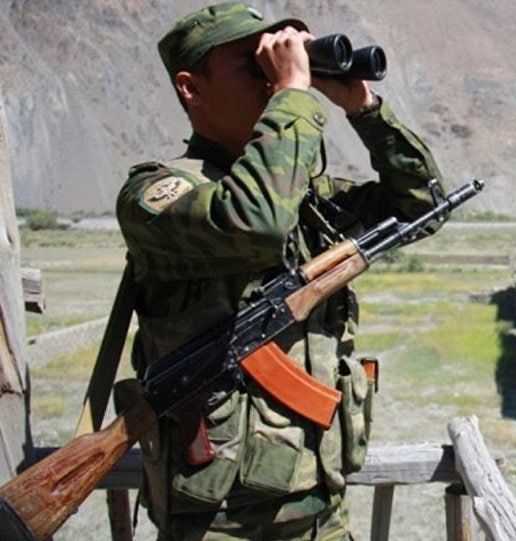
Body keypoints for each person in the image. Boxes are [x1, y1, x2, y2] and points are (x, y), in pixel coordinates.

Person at [116, 2, 445, 539]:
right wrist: (293, 92)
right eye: (254, 66)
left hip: (324, 508)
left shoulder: (305, 199)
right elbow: (258, 223)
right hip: (218, 522)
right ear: (191, 88)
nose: (273, 77)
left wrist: (363, 110)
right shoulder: (158, 194)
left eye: (279, 63)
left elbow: (421, 207)